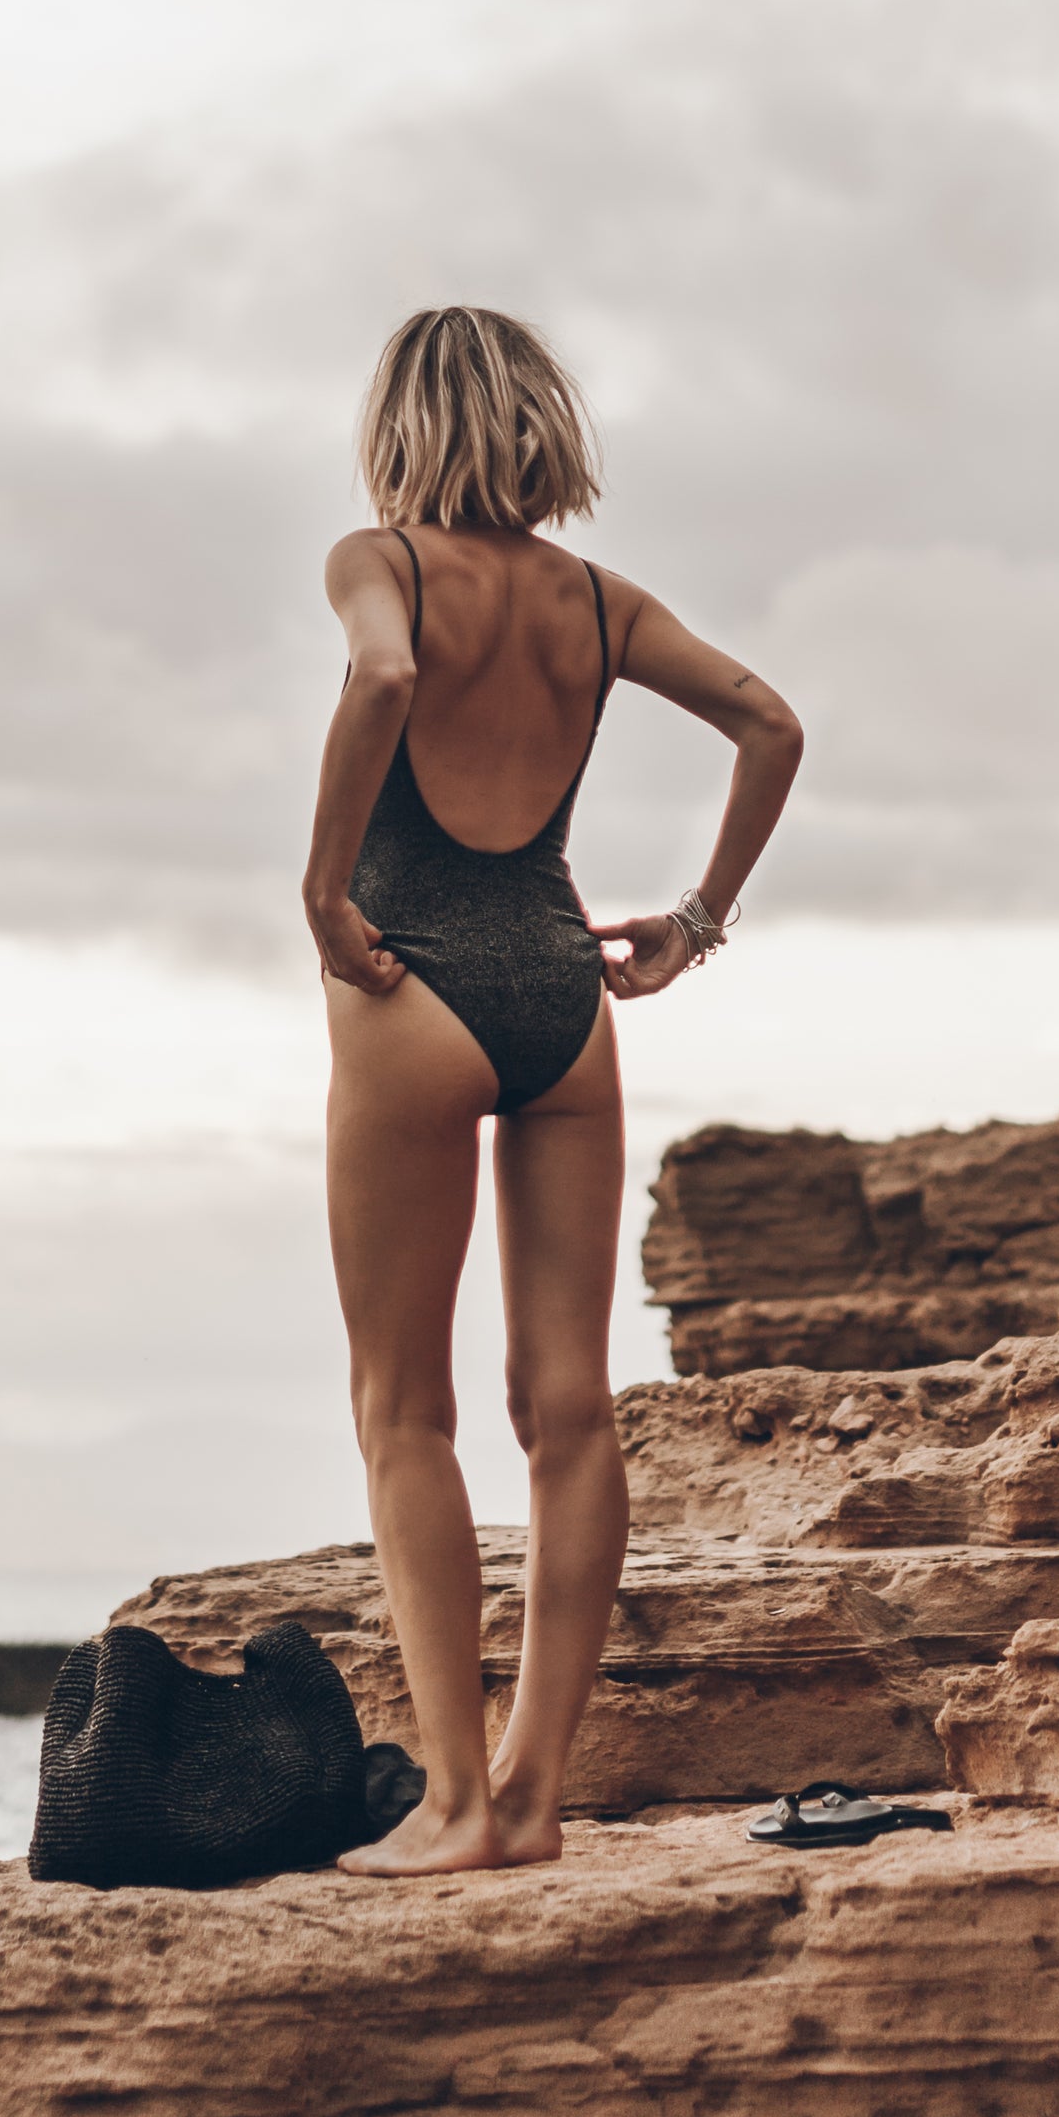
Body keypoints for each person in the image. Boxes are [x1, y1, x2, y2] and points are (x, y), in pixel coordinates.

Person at [304, 306, 802, 1876]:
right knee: (569, 1409)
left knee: (406, 1410)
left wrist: (326, 893)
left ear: (400, 422)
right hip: (562, 991)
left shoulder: (375, 559)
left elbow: (382, 679)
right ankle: (533, 1798)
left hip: (416, 985)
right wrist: (700, 921)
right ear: (540, 424)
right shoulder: (595, 600)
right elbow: (770, 722)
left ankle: (453, 1809)